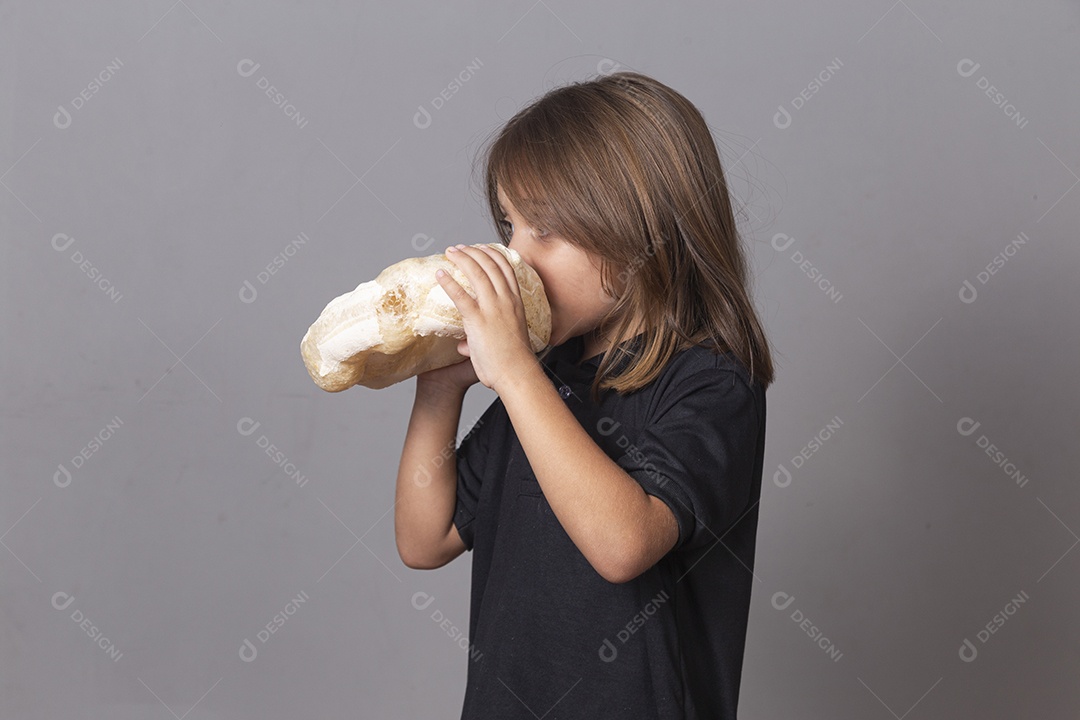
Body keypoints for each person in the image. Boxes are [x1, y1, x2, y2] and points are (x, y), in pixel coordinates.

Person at [394, 69, 775, 720]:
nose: (516, 257)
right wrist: (438, 391)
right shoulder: (549, 377)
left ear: (642, 232)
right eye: (509, 225)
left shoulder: (709, 382)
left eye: (545, 230)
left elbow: (624, 544)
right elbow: (424, 541)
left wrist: (514, 373)